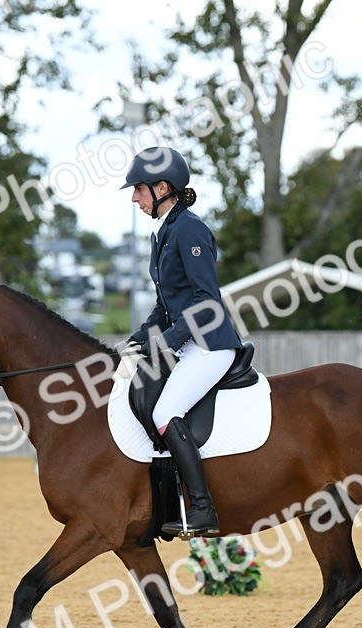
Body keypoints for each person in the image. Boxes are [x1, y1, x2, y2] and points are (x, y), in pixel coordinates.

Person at [119, 147, 244, 536]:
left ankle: (203, 509)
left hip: (210, 345)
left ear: (161, 188)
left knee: (165, 412)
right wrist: (138, 338)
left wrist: (167, 341)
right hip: (188, 344)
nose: (134, 198)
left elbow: (207, 301)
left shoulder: (189, 229)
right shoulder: (163, 233)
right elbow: (166, 305)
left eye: (138, 190)